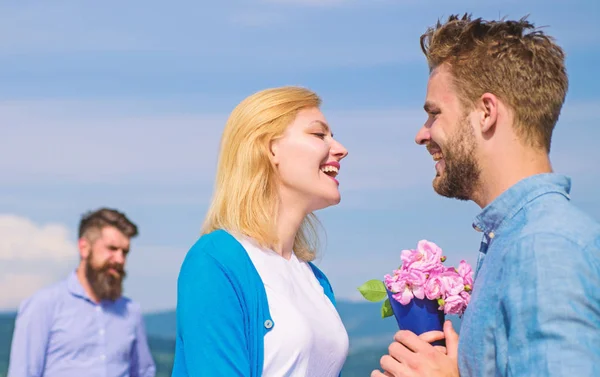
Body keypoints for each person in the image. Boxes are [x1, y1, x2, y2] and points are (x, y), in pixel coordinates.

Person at [373, 14, 600, 377]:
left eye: (434, 114)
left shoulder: (543, 247)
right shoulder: (516, 238)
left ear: (486, 113)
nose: (421, 134)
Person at [171, 86, 349, 377]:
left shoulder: (316, 280)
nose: (340, 148)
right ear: (270, 149)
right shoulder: (215, 262)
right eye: (319, 135)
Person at [8, 208, 156, 377]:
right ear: (84, 247)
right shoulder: (43, 305)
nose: (120, 260)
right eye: (112, 249)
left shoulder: (131, 312)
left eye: (125, 252)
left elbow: (144, 372)